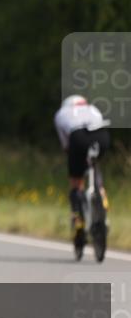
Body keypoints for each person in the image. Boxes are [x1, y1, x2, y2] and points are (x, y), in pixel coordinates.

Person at [54, 95, 111, 239]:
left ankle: (78, 218)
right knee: (94, 164)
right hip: (101, 136)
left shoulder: (61, 114)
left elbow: (66, 145)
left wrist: (72, 157)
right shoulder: (92, 108)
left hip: (78, 136)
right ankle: (102, 197)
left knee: (76, 181)